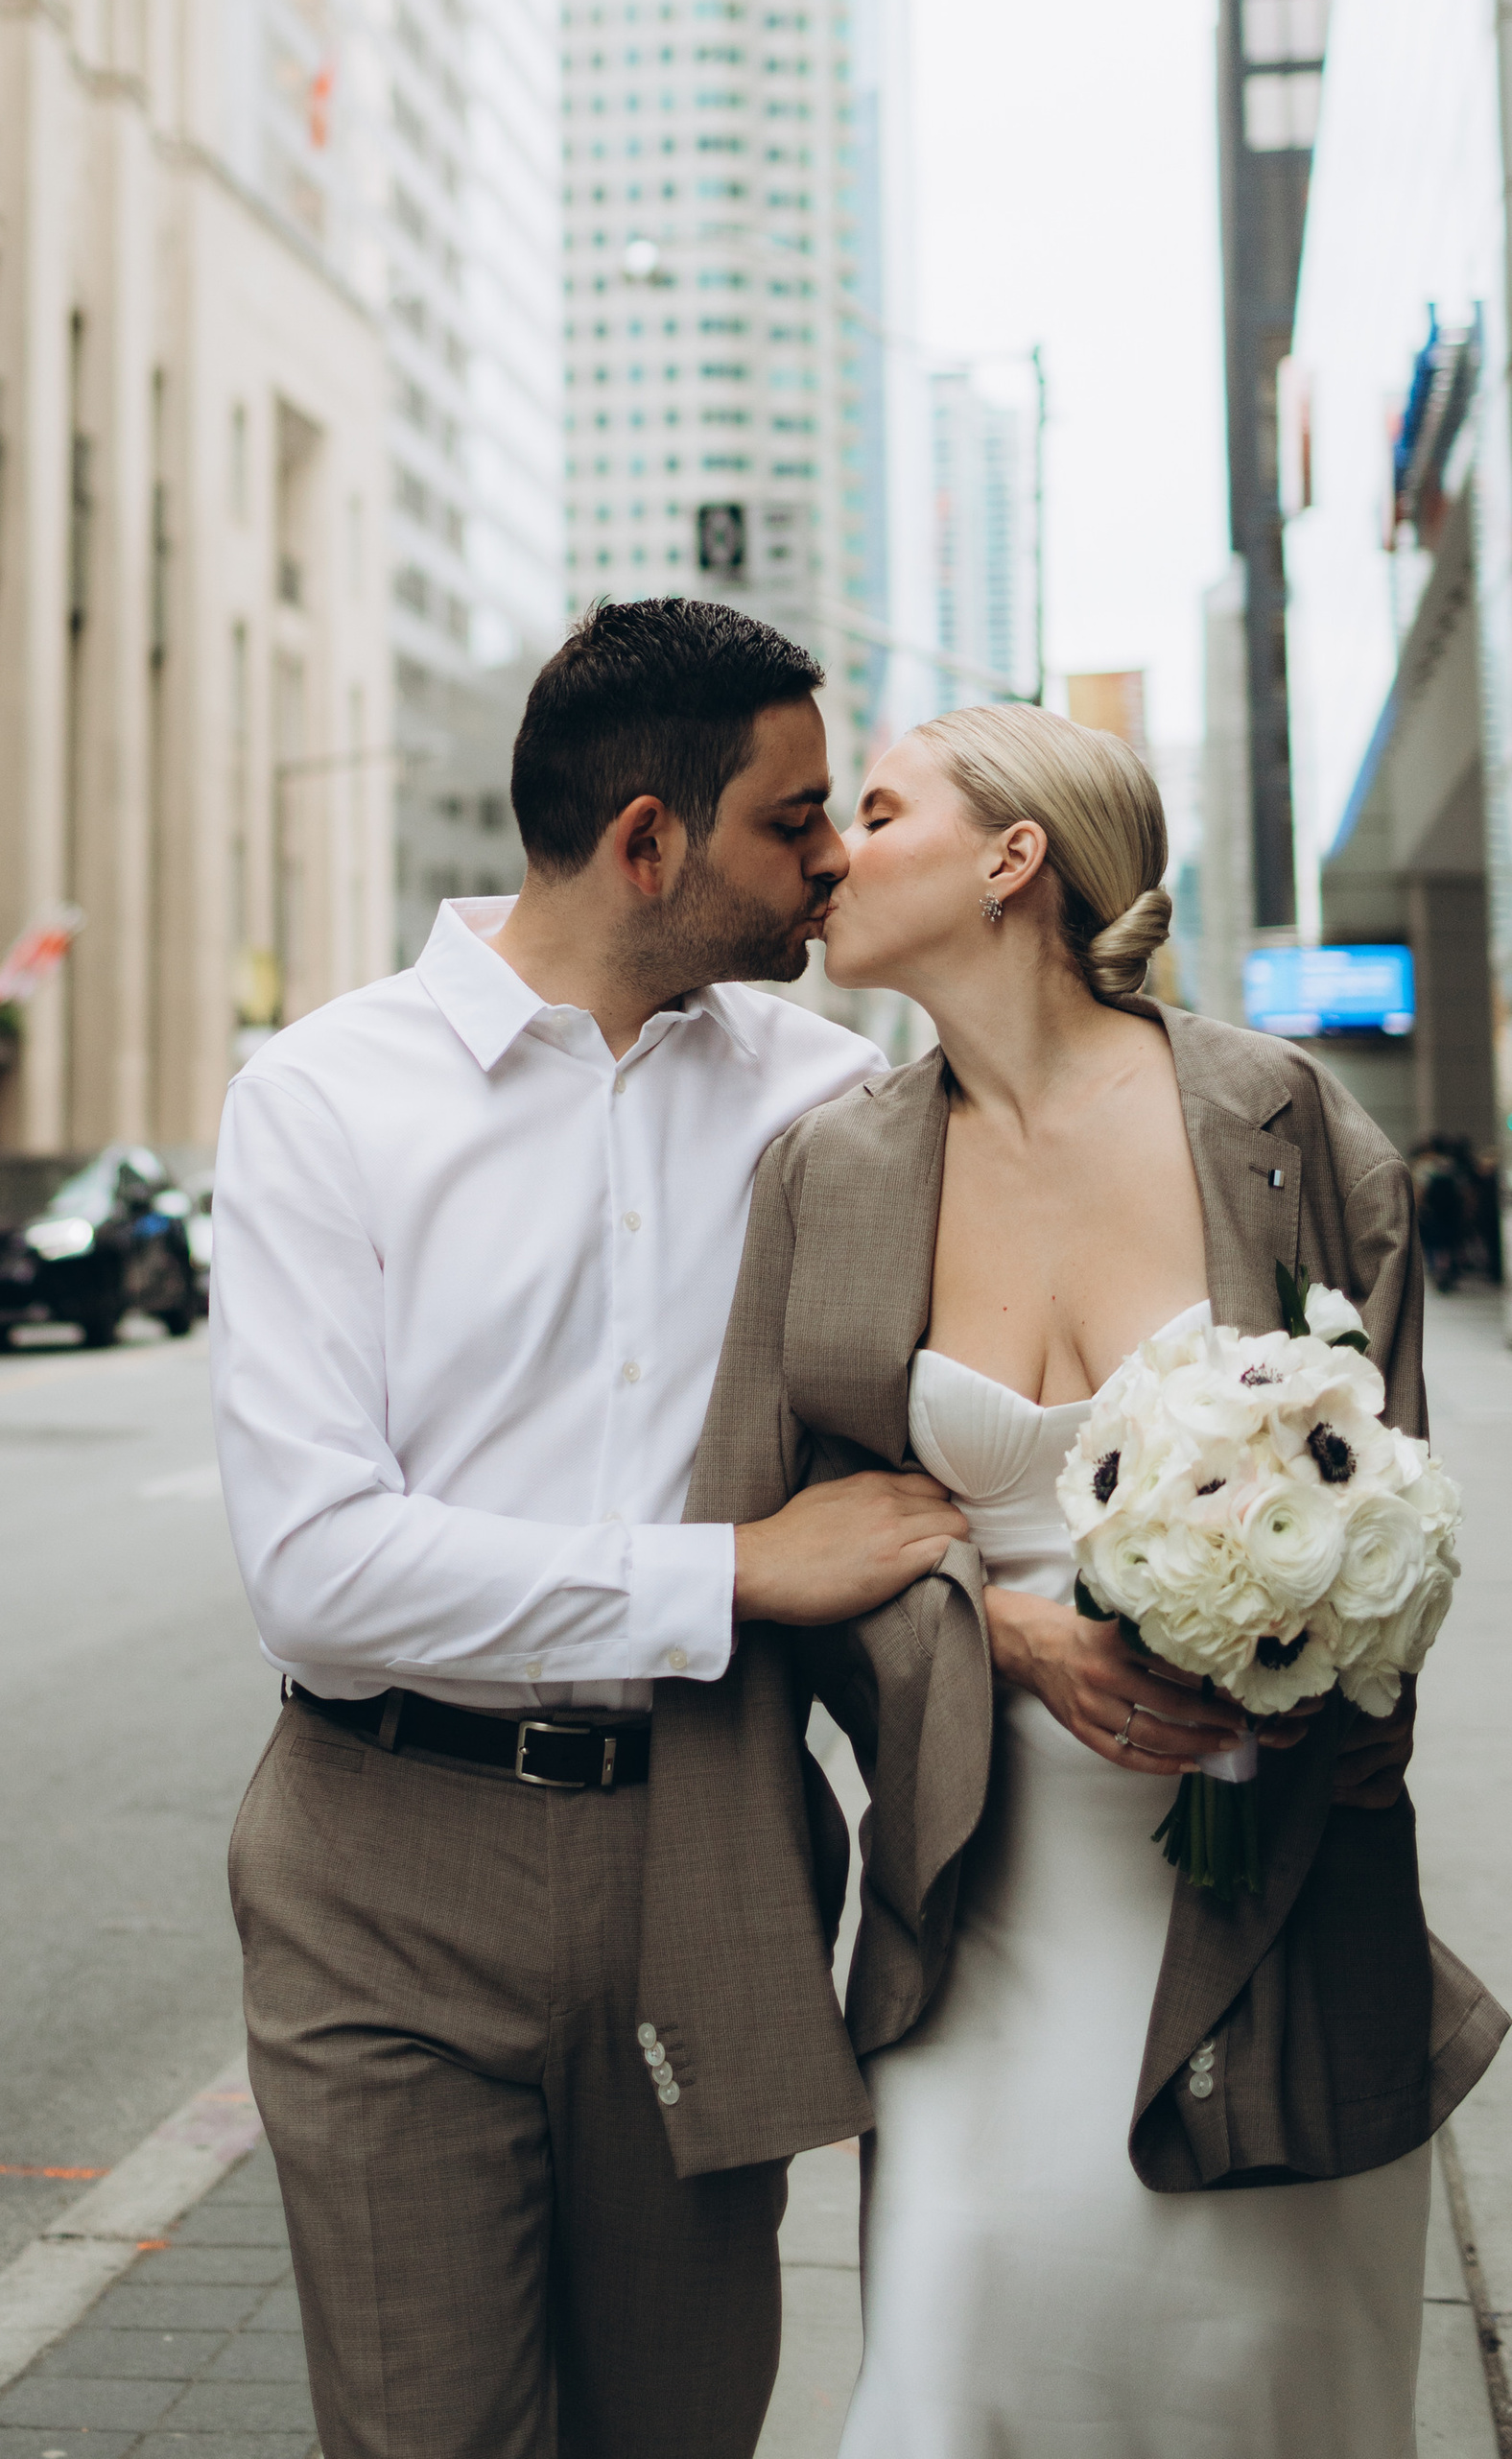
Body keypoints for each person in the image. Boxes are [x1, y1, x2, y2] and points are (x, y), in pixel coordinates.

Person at [210, 598, 967, 2459]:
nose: (831, 862)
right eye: (791, 821)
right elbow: (313, 1565)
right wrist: (725, 1572)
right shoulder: (319, 1100)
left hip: (712, 1849)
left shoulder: (834, 1105)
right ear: (646, 843)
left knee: (678, 2431)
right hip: (383, 1869)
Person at [725, 703, 1505, 2459]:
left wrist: (1299, 1659)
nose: (833, 850)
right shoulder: (828, 1172)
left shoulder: (1286, 1123)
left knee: (1266, 2393)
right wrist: (989, 1629)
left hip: (1267, 1898)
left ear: (1016, 861)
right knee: (951, 2385)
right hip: (973, 1895)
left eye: (877, 808)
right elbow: (772, 1540)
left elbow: (1392, 1513)